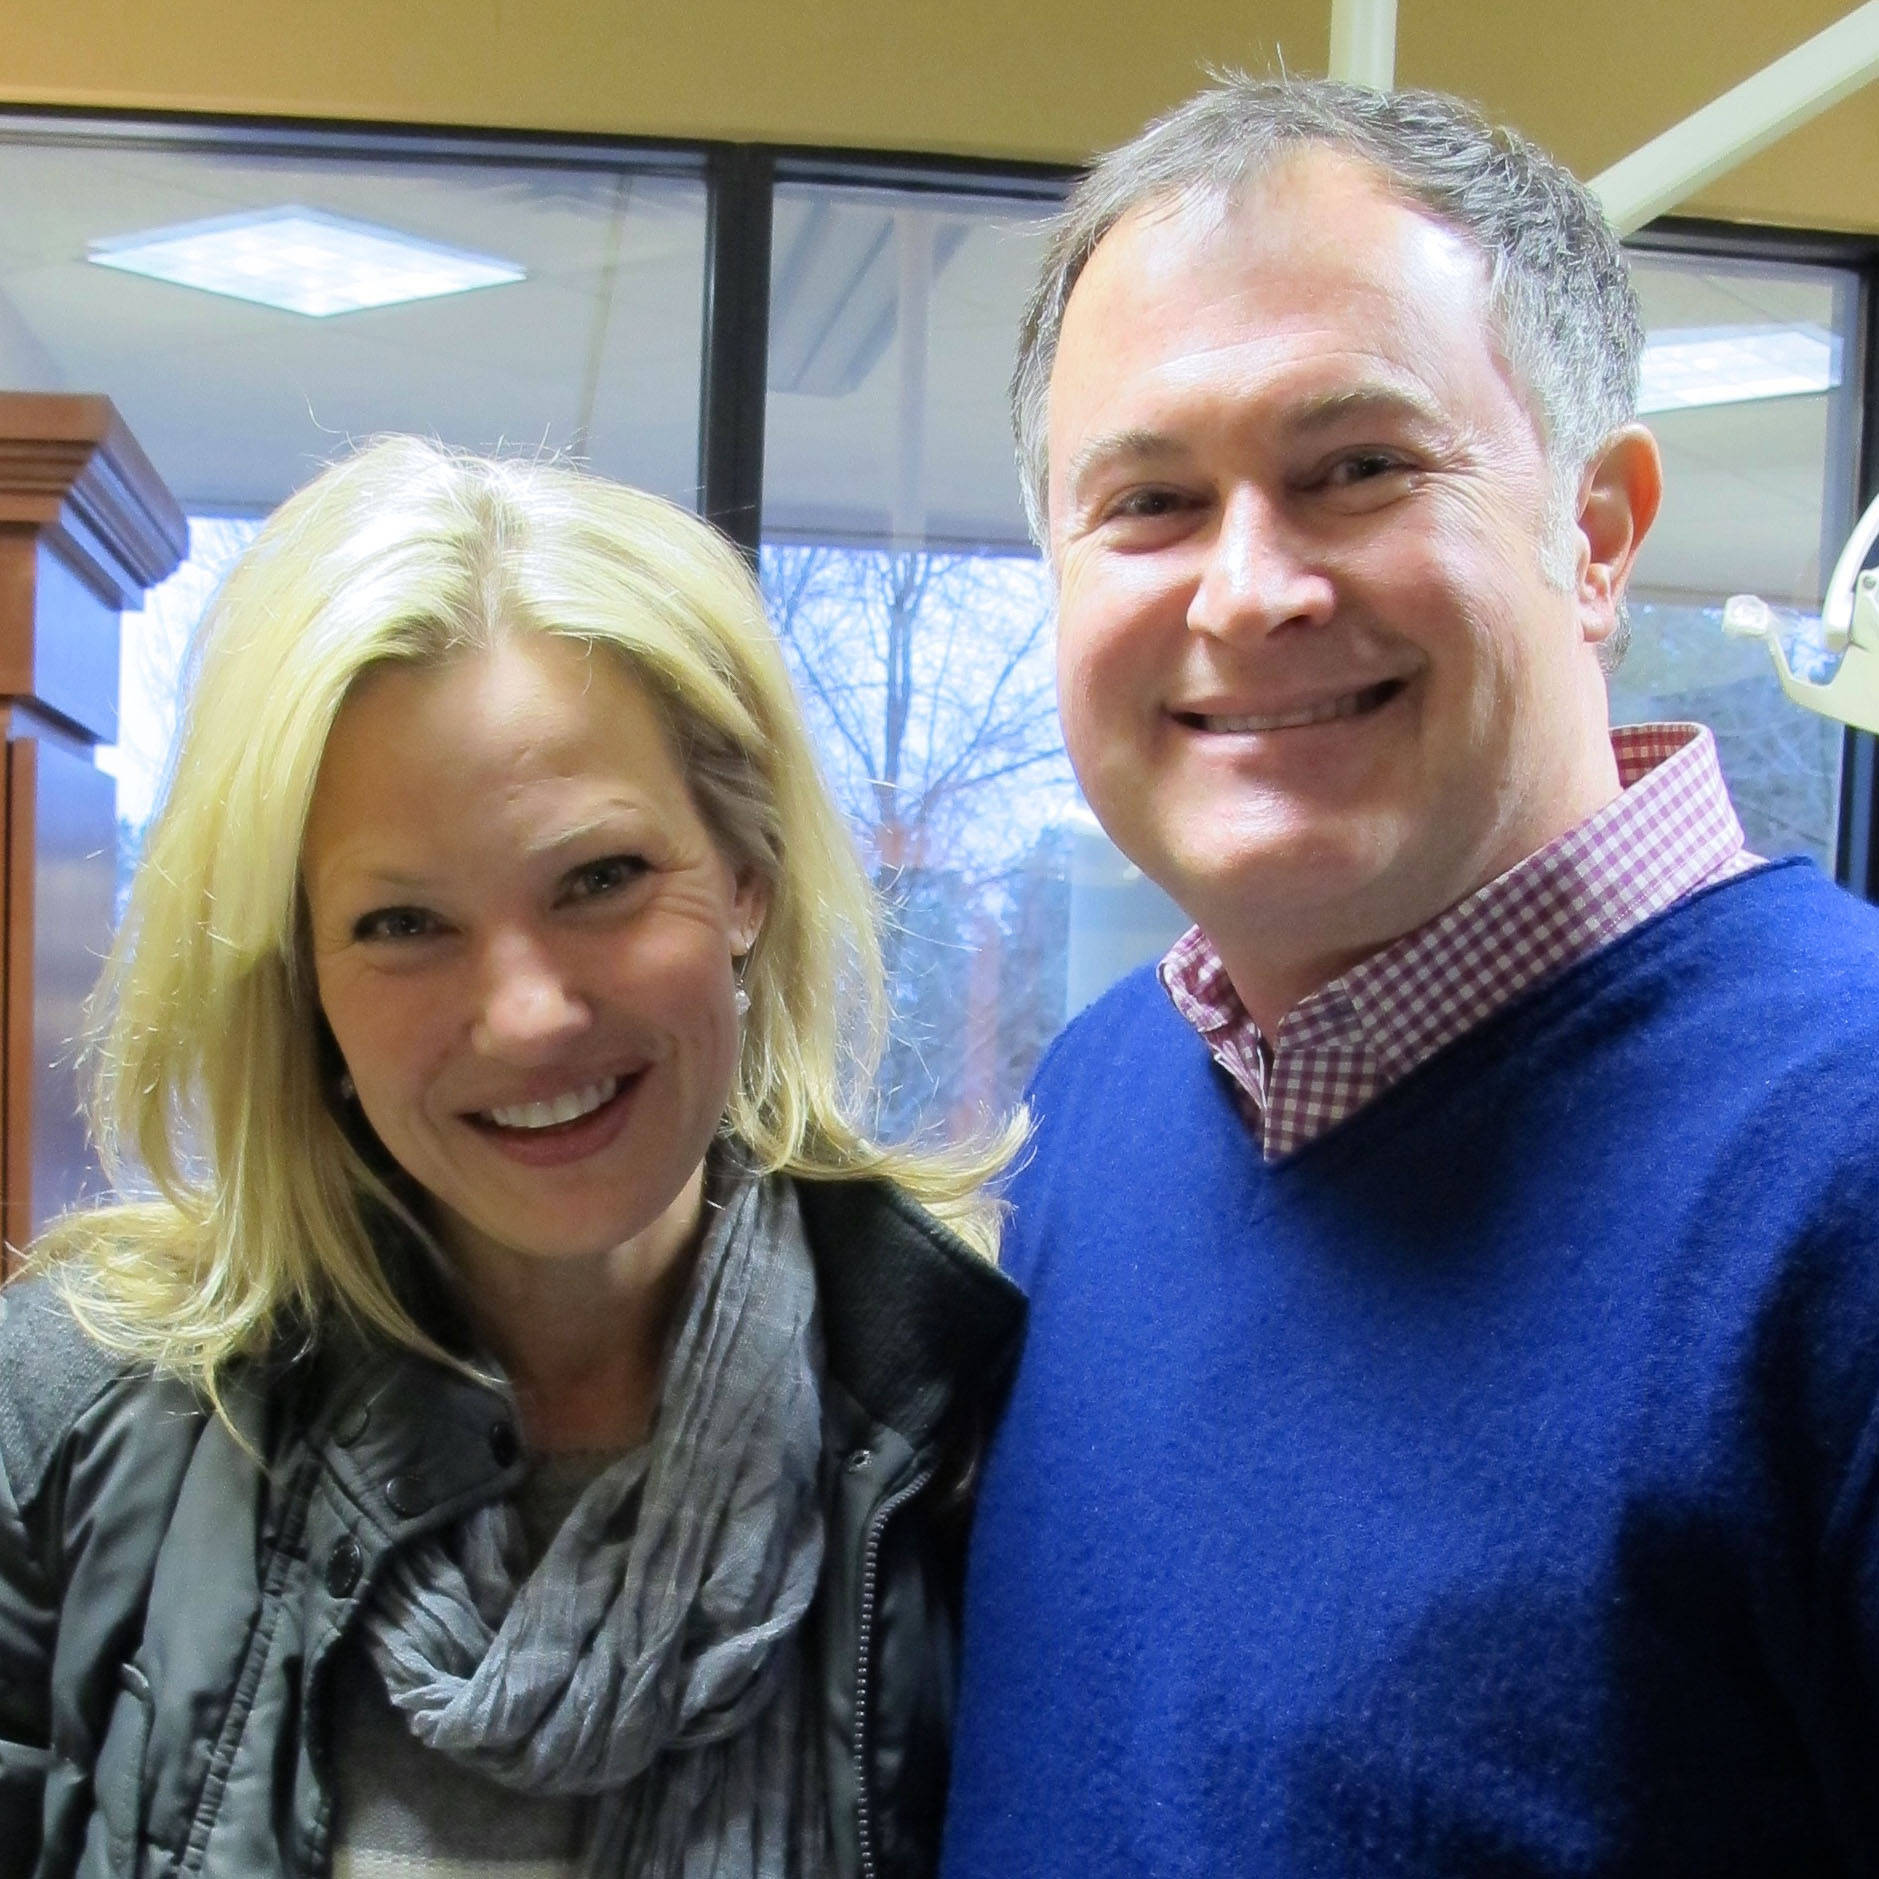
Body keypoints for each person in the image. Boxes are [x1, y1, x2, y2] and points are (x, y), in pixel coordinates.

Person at [941, 75, 1879, 1877]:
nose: (1247, 590)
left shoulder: (1838, 1180)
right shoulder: (1100, 1108)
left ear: (1596, 535)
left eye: (1356, 469)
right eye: (1147, 501)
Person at [0, 437, 1025, 1879]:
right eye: (402, 925)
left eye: (600, 879)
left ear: (745, 878)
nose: (530, 1013)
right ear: (302, 981)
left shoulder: (974, 1431)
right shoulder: (68, 1426)